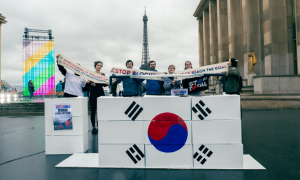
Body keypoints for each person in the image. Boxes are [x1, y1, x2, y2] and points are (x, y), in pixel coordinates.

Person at [86, 61, 107, 134]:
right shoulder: (91, 74)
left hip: (101, 92)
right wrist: (92, 85)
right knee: (93, 110)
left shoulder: (103, 74)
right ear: (95, 66)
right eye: (98, 65)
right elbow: (88, 84)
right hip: (93, 92)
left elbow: (104, 84)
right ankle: (93, 127)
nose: (99, 67)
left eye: (101, 66)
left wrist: (108, 83)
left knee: (101, 111)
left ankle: (100, 126)